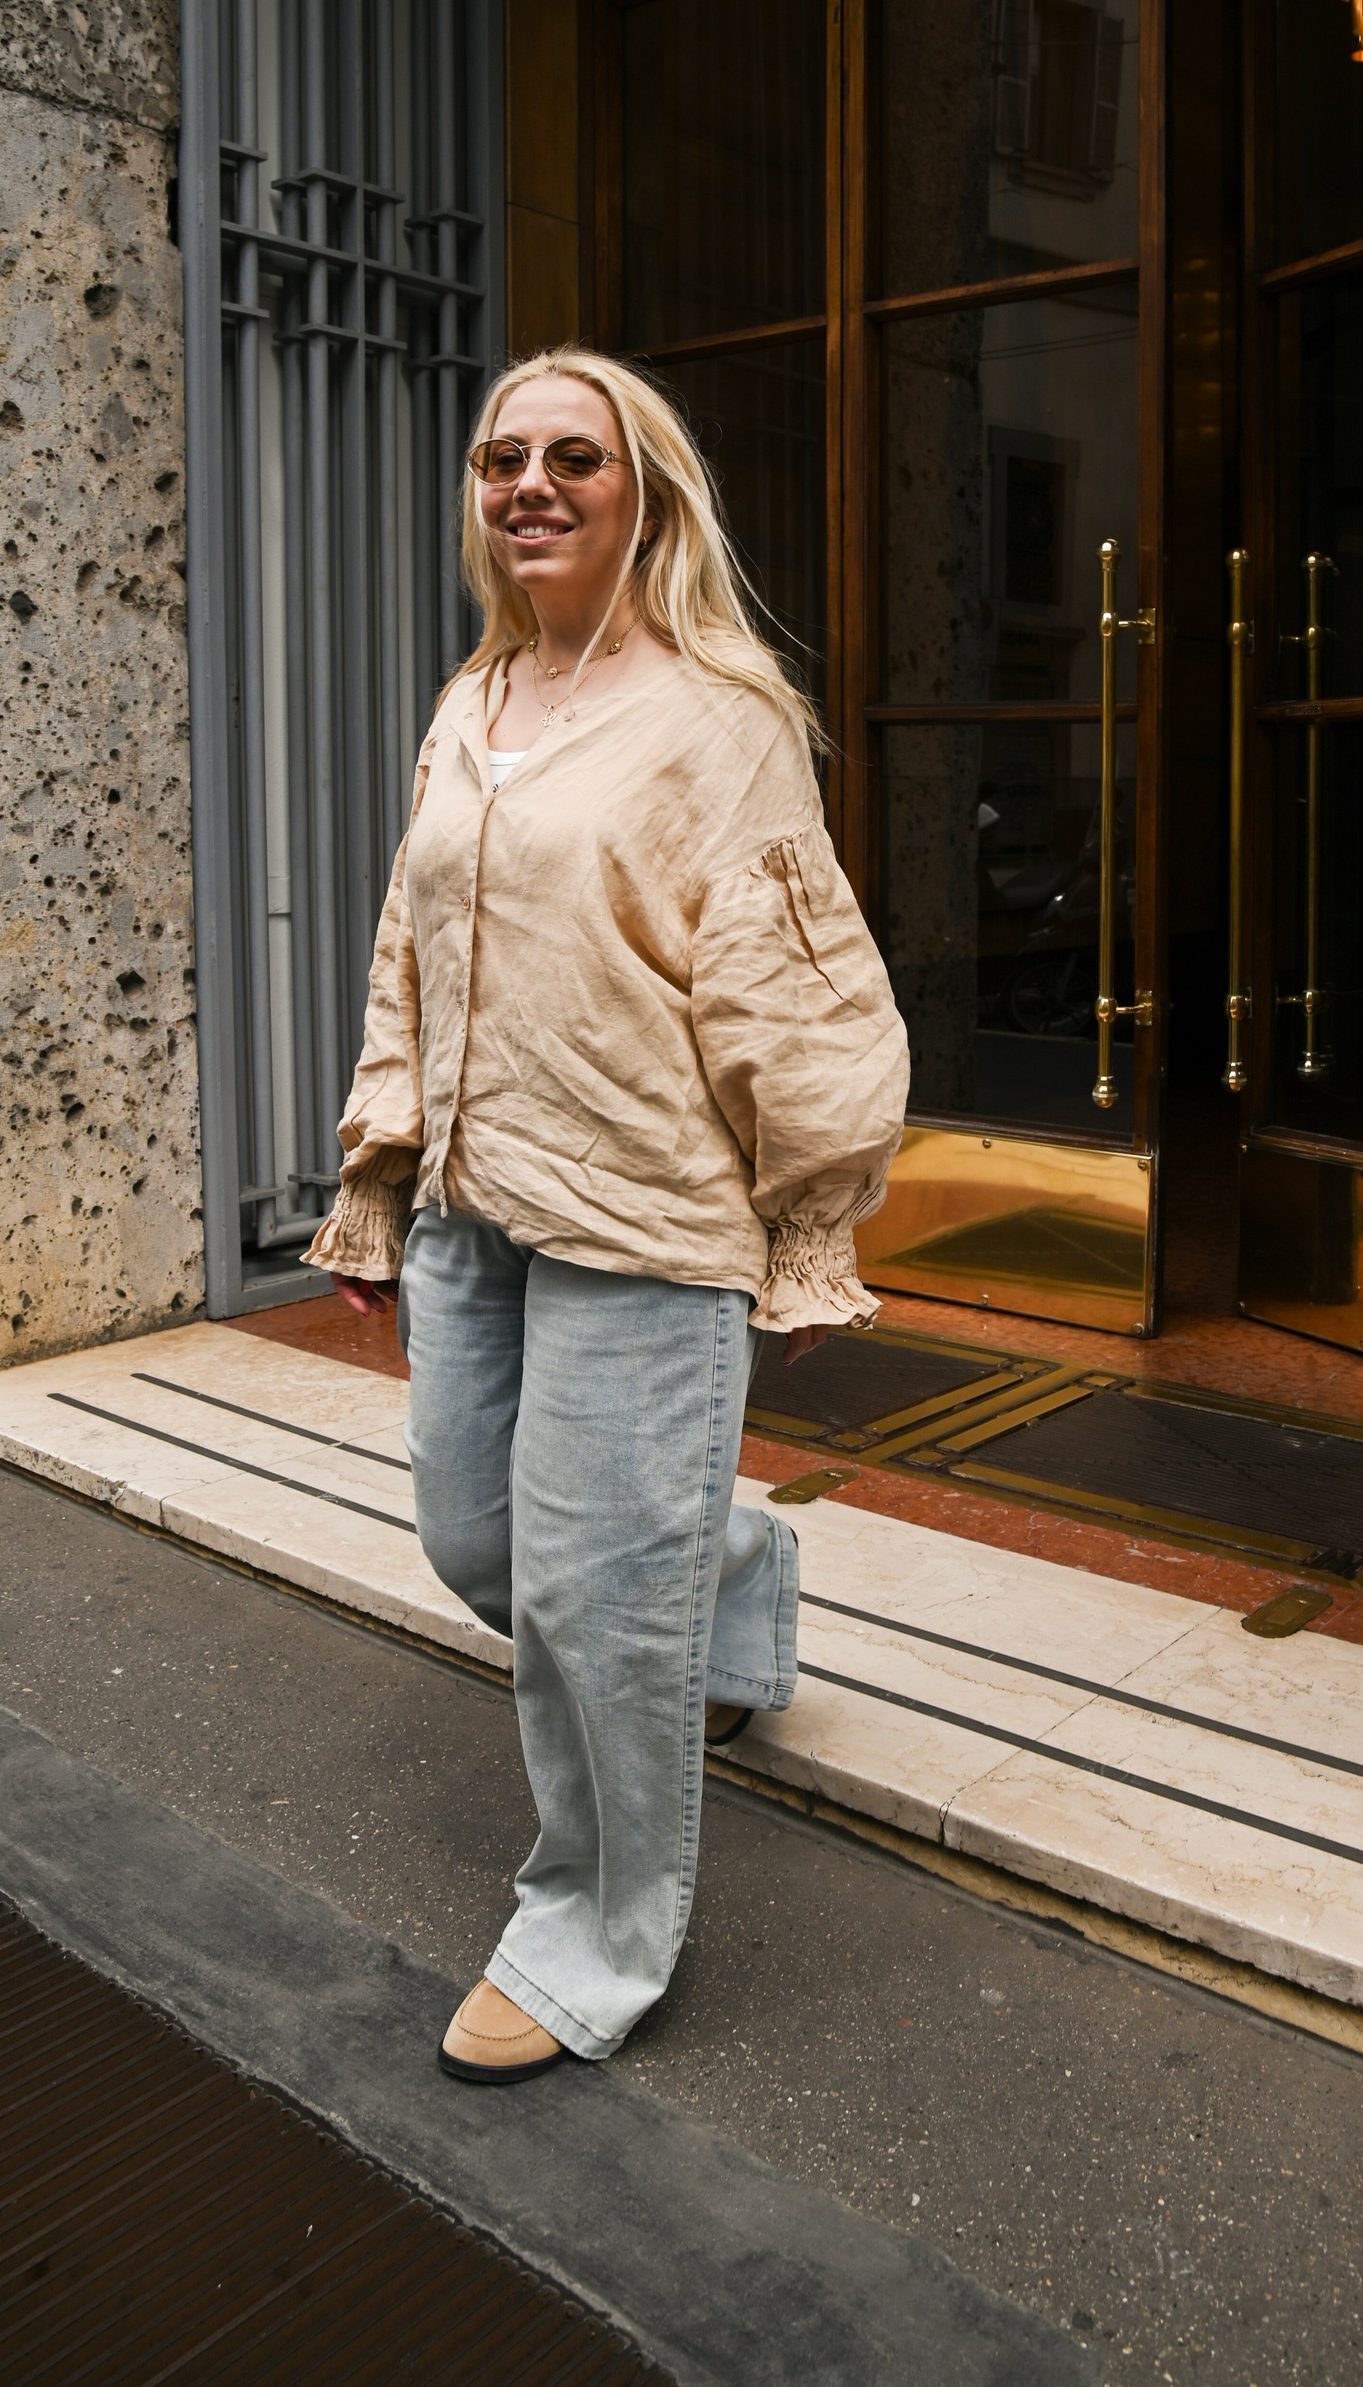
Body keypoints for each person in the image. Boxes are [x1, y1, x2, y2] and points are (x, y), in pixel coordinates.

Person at [304, 347, 909, 2085]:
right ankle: (730, 1578)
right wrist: (381, 1169)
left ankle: (590, 1935)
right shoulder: (475, 697)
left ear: (647, 491)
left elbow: (792, 983)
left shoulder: (722, 718)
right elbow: (413, 948)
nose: (532, 485)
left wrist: (810, 1225)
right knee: (477, 1543)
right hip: (475, 1200)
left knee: (591, 1599)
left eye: (575, 457)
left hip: (648, 1214)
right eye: (503, 458)